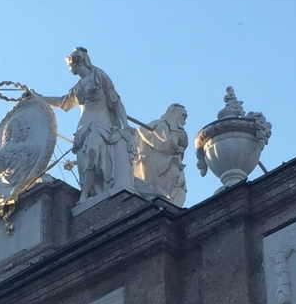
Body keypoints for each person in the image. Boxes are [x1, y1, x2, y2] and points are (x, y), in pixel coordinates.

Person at [43, 48, 136, 204]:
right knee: (84, 161)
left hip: (101, 124)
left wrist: (124, 124)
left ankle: (86, 195)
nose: (69, 68)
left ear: (77, 62)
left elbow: (115, 102)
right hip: (83, 127)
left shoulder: (99, 76)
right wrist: (39, 98)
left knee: (94, 151)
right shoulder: (78, 87)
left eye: (69, 64)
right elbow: (62, 102)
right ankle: (87, 195)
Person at [134, 101, 189, 206]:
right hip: (157, 165)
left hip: (172, 163)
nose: (184, 119)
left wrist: (178, 143)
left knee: (176, 186)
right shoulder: (158, 124)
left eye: (185, 116)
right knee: (157, 191)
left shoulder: (178, 130)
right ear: (174, 114)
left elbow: (182, 144)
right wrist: (175, 146)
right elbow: (162, 143)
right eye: (183, 115)